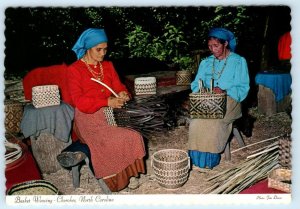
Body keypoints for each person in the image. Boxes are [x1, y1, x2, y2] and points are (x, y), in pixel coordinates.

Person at [67, 28, 146, 192]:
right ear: (88, 48)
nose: (103, 53)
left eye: (105, 49)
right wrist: (106, 101)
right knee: (113, 140)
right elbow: (79, 101)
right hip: (88, 119)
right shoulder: (74, 70)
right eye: (98, 49)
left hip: (112, 114)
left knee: (134, 135)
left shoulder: (108, 66)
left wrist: (124, 93)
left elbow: (118, 86)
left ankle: (131, 175)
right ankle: (114, 180)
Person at [188, 28, 250, 169]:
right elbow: (195, 84)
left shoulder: (238, 61)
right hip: (208, 101)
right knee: (196, 121)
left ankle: (210, 160)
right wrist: (203, 89)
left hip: (230, 100)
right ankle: (197, 159)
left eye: (216, 46)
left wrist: (225, 90)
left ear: (226, 43)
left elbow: (243, 87)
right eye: (210, 46)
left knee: (214, 123)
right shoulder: (206, 63)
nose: (212, 50)